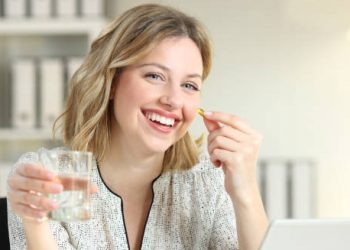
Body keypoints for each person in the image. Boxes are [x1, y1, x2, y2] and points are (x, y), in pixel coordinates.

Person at [7, 4, 268, 250]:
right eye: (154, 76)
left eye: (189, 85)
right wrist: (36, 222)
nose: (173, 100)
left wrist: (245, 188)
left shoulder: (207, 183)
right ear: (111, 82)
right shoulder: (60, 178)